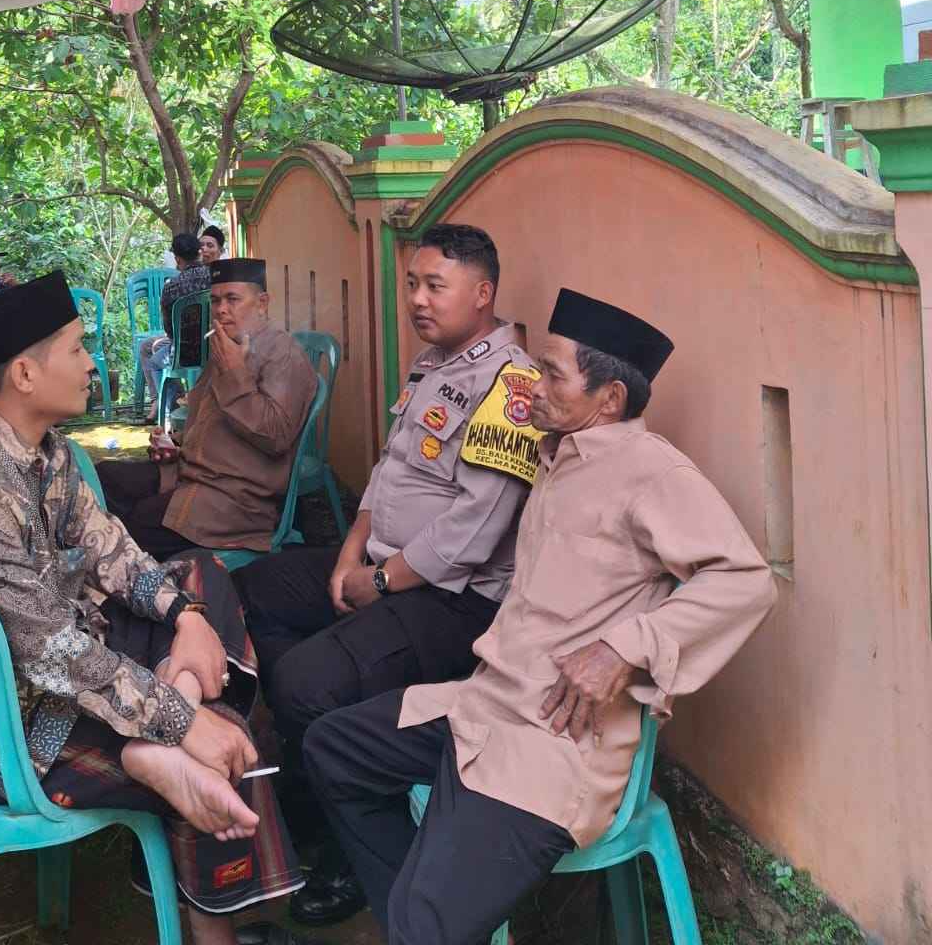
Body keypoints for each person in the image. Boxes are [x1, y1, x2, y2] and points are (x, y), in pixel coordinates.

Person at [303, 288, 778, 945]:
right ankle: (415, 921)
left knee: (426, 921)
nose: (532, 384)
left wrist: (625, 647)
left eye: (552, 374)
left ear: (608, 399)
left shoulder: (652, 472)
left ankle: (422, 924)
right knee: (332, 748)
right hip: (483, 707)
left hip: (550, 746)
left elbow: (746, 579)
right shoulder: (553, 454)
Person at [0, 270, 304, 942]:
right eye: (77, 348)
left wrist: (185, 621)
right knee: (210, 727)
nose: (93, 363)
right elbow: (52, 654)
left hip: (56, 669)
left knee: (198, 573)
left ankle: (159, 743)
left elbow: (108, 547)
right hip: (3, 731)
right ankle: (207, 900)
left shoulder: (44, 451)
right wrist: (181, 722)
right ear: (25, 374)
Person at [235, 222, 538, 931]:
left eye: (435, 285)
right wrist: (351, 553)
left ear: (483, 293)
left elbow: (476, 528)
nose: (418, 299)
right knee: (255, 592)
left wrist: (380, 582)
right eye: (412, 284)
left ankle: (348, 844)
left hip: (451, 600)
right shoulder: (433, 364)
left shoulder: (511, 386)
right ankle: (312, 778)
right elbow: (387, 473)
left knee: (304, 683)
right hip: (381, 563)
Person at [99, 258, 317, 561]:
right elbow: (206, 419)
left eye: (233, 299)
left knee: (133, 525)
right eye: (215, 301)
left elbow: (275, 435)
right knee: (104, 479)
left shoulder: (282, 356)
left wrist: (235, 372)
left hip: (235, 497)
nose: (221, 309)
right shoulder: (229, 344)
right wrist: (174, 444)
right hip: (192, 473)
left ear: (262, 303)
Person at [140, 231, 212, 408]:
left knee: (155, 363)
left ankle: (173, 409)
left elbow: (170, 330)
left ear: (177, 259)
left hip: (184, 354)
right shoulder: (215, 278)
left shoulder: (171, 287)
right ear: (199, 253)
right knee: (156, 347)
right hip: (215, 347)